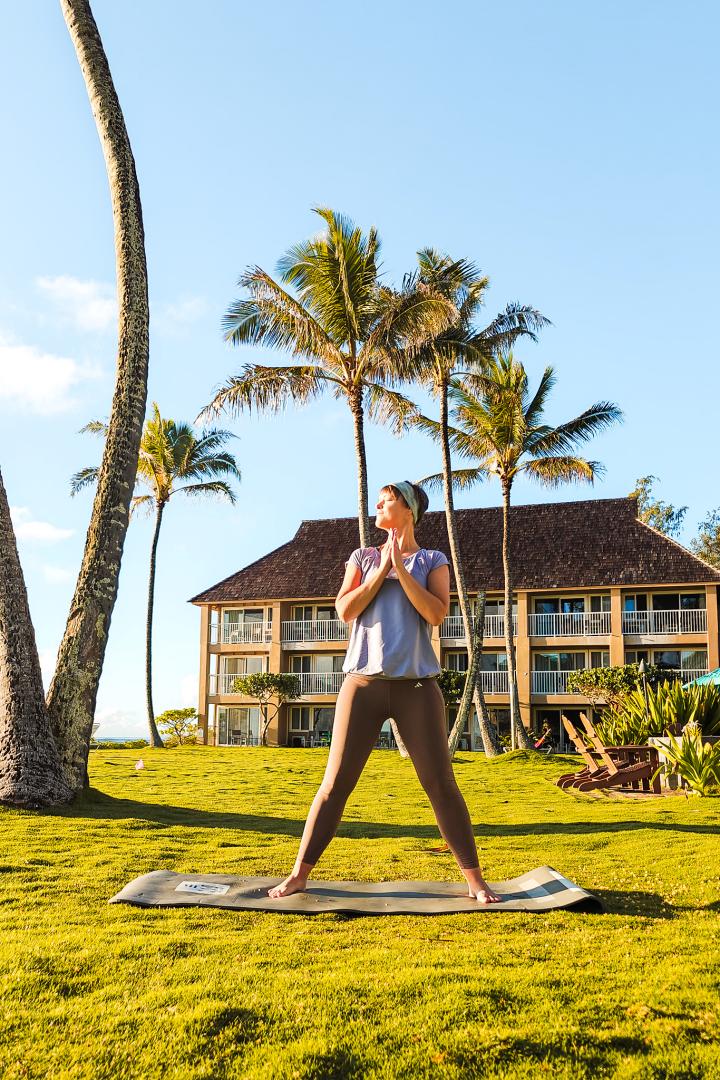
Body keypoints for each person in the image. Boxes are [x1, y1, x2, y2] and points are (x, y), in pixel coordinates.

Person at [268, 480, 501, 904]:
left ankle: (475, 880)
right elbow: (345, 609)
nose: (378, 506)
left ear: (408, 510)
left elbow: (435, 614)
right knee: (334, 785)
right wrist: (382, 569)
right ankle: (299, 874)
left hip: (417, 688)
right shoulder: (361, 557)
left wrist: (401, 565)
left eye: (387, 501)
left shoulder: (432, 560)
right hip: (362, 686)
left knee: (440, 784)